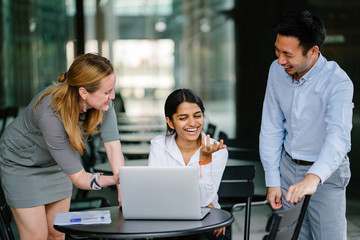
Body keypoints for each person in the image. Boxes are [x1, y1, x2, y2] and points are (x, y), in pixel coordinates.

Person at [0, 53, 125, 239]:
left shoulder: (104, 104)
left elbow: (113, 146)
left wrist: (124, 187)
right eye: (107, 92)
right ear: (83, 92)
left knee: (57, 232)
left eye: (112, 89)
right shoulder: (49, 112)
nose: (112, 96)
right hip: (21, 164)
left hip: (57, 163)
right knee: (37, 236)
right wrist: (114, 181)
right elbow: (80, 178)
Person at [259, 10, 353, 240]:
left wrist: (313, 177)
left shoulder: (338, 82)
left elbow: (338, 136)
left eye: (288, 54)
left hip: (326, 174)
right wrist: (272, 181)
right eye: (277, 50)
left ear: (313, 51)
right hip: (288, 168)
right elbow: (271, 126)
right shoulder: (277, 70)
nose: (280, 60)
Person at [148, 88, 229, 240]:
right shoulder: (159, 145)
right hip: (168, 222)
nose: (193, 123)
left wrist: (204, 159)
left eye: (197, 116)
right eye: (183, 118)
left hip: (206, 222)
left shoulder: (217, 150)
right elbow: (157, 194)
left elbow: (205, 201)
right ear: (170, 122)